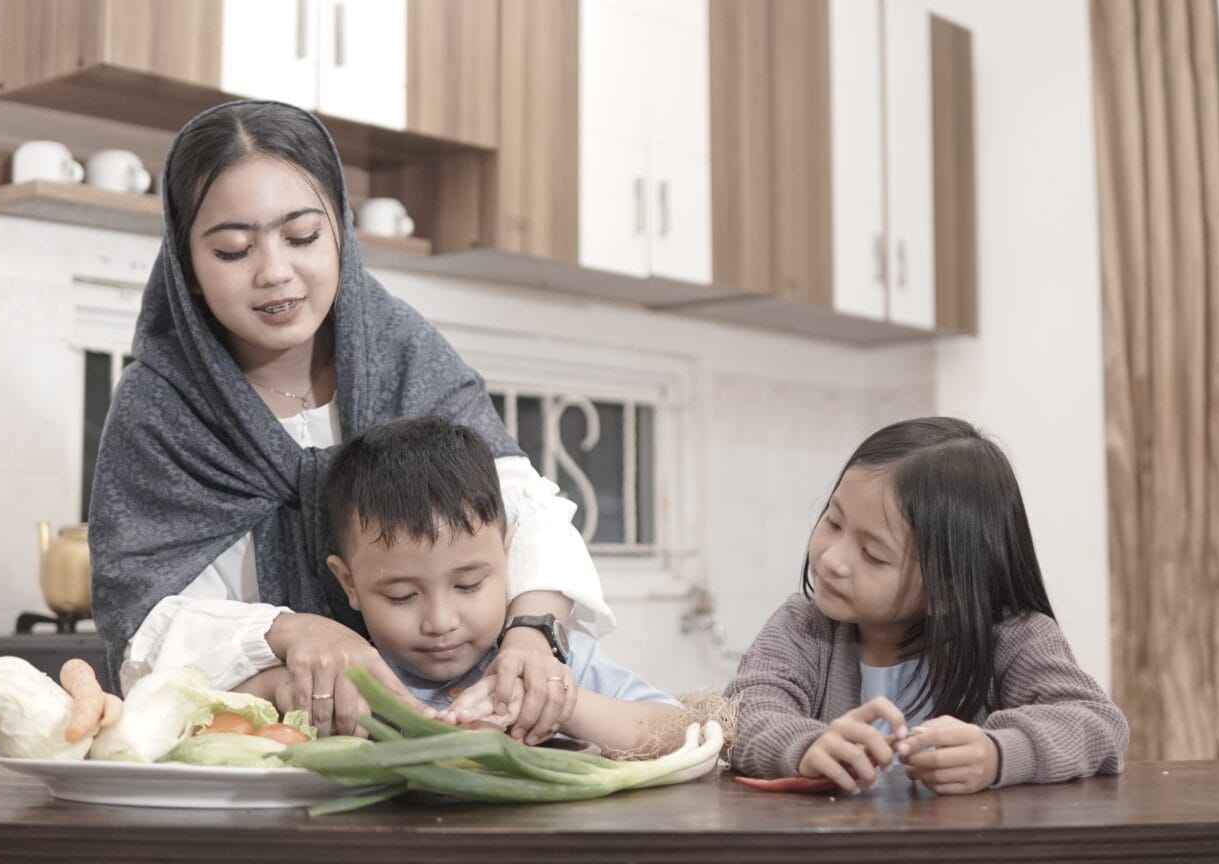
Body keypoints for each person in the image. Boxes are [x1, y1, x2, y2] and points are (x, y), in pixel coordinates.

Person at [88, 100, 614, 743]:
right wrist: (292, 634)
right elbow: (149, 637)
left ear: (340, 230)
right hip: (259, 747)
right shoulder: (160, 406)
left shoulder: (401, 352)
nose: (275, 272)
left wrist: (534, 634)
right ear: (186, 267)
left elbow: (521, 508)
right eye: (232, 250)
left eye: (303, 236)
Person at [724, 417, 1128, 795]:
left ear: (946, 591)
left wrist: (1000, 753)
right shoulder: (804, 627)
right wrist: (805, 747)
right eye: (833, 522)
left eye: (872, 554)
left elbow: (1098, 724)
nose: (832, 559)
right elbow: (743, 712)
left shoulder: (1015, 638)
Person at [307, 416, 680, 754]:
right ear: (349, 583)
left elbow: (682, 729)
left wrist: (557, 702)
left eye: (468, 585)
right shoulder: (346, 678)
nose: (440, 621)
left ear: (507, 556)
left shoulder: (552, 662)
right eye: (401, 596)